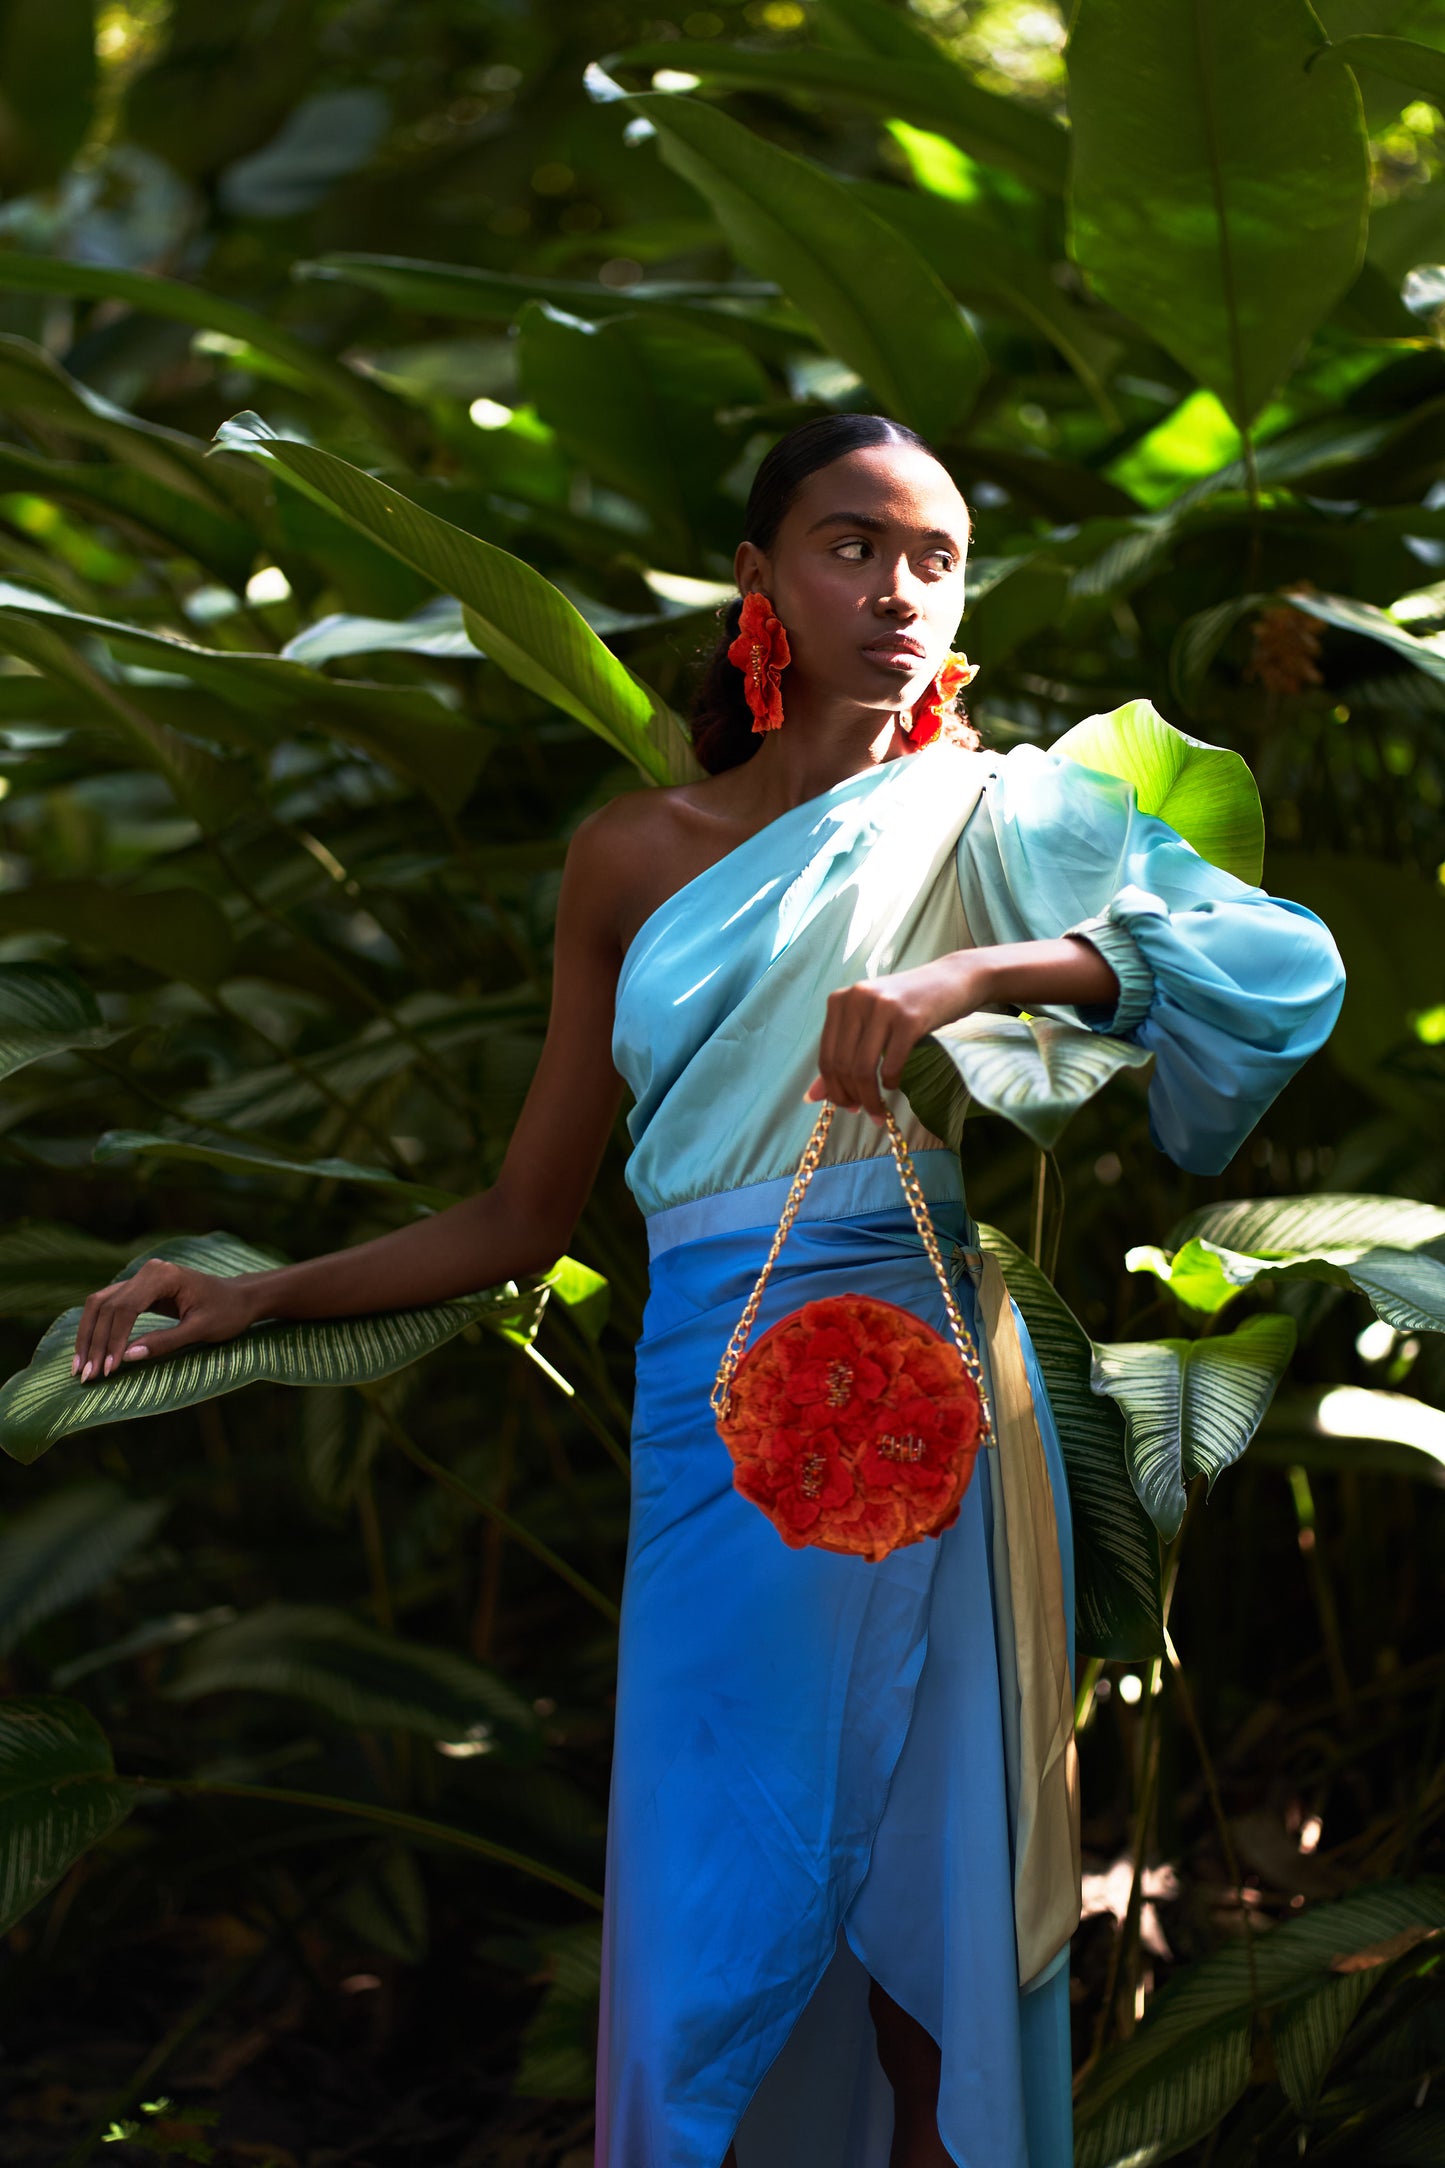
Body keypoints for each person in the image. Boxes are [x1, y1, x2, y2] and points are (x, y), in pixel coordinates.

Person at [70, 414, 1347, 2168]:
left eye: (934, 557)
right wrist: (262, 1293)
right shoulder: (631, 852)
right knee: (712, 1901)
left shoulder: (999, 812)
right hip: (712, 1411)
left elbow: (1274, 966)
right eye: (849, 545)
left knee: (937, 1910)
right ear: (760, 580)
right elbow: (525, 1212)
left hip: (927, 1401)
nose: (895, 589)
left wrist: (974, 968)